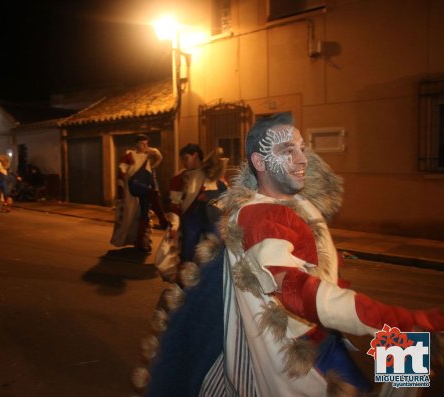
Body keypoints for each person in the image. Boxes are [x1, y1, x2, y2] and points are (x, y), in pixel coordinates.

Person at [137, 113, 444, 396]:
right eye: (287, 151)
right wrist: (405, 319)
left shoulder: (297, 204)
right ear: (260, 161)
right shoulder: (260, 218)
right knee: (408, 349)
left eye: (301, 147)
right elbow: (297, 291)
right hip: (300, 354)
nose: (302, 159)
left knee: (409, 360)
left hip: (325, 334)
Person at [154, 144, 228, 281]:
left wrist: (210, 197)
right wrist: (175, 225)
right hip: (190, 220)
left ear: (195, 155)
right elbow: (175, 205)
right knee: (187, 254)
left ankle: (212, 284)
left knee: (215, 253)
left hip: (211, 219)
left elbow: (226, 195)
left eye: (185, 158)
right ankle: (185, 286)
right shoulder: (179, 179)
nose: (183, 162)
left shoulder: (212, 174)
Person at [111, 134, 168, 252]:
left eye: (146, 143)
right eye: (142, 143)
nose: (145, 146)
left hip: (145, 187)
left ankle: (142, 241)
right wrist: (121, 193)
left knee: (144, 215)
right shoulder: (130, 155)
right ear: (136, 144)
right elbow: (121, 172)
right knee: (130, 216)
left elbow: (159, 158)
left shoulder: (149, 156)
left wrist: (152, 150)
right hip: (131, 190)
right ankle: (162, 219)